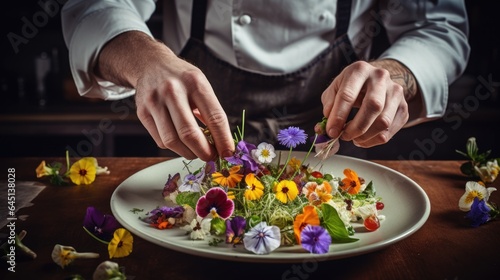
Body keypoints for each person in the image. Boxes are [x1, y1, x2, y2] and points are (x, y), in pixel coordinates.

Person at [61, 0, 470, 161]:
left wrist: (397, 74)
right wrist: (144, 58)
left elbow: (437, 26)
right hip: (197, 145)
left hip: (335, 143)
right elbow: (94, 6)